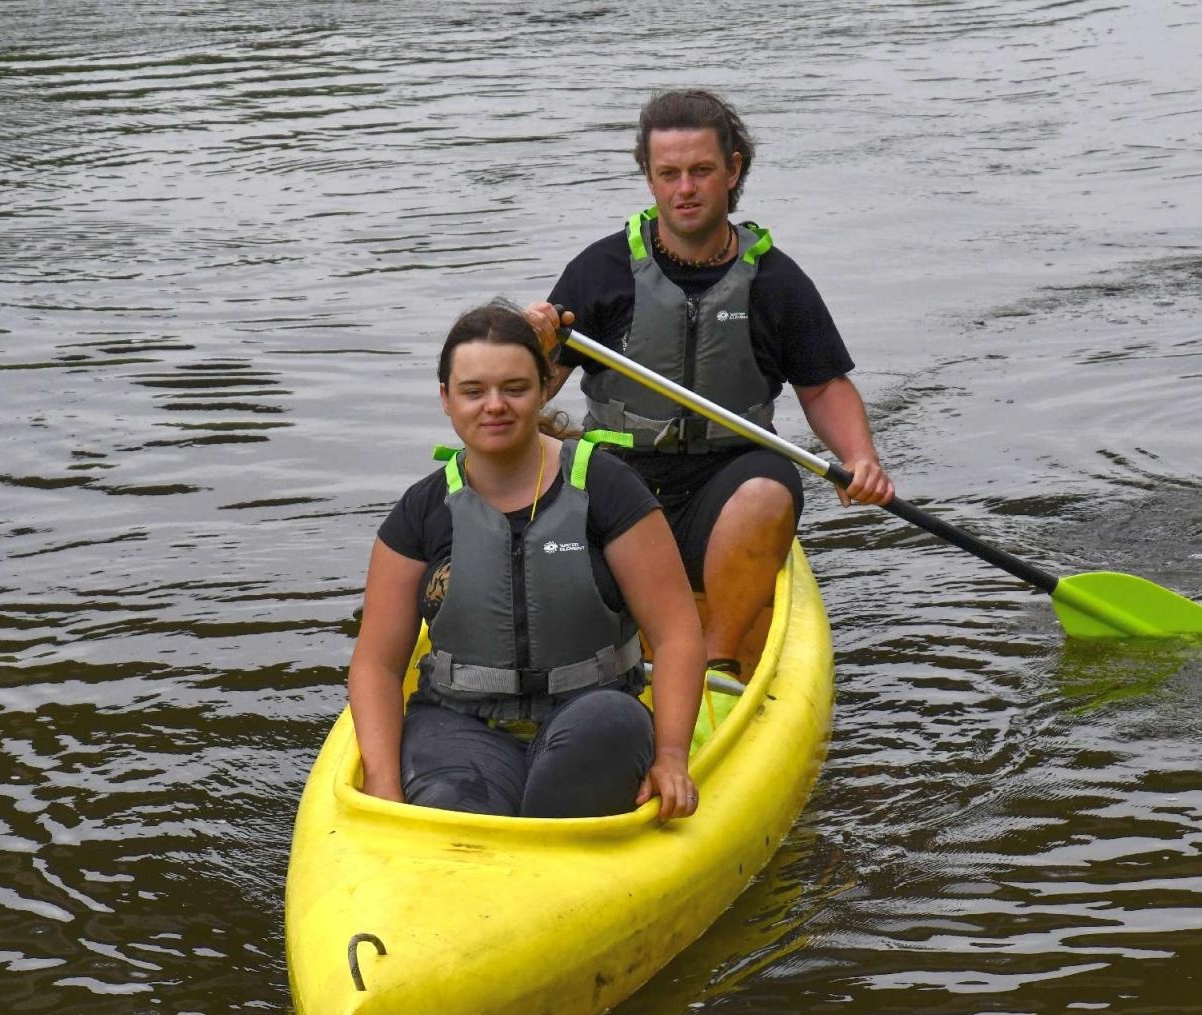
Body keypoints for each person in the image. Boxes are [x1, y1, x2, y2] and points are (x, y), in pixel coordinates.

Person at [529, 88, 895, 691]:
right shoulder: (600, 271)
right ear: (648, 179)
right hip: (619, 472)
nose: (685, 188)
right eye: (668, 173)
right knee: (540, 515)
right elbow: (532, 391)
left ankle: (717, 666)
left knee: (765, 498)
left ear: (733, 170)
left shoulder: (776, 281)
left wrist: (861, 459)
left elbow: (824, 386)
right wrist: (532, 344)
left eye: (701, 171)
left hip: (729, 472)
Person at [346, 301, 704, 821]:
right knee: (450, 805)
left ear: (542, 389)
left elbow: (676, 634)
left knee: (604, 729)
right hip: (459, 724)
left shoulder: (606, 488)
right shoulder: (421, 511)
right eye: (473, 391)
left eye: (514, 388)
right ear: (446, 399)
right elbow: (377, 664)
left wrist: (671, 756)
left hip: (590, 713)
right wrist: (383, 782)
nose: (495, 405)